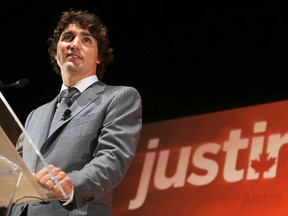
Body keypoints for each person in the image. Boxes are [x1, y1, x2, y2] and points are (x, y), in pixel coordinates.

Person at [11, 9, 142, 216]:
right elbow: (13, 170)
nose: (74, 44)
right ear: (56, 52)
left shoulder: (119, 97)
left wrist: (71, 185)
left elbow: (112, 159)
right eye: (68, 38)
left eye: (86, 40)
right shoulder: (34, 116)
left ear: (99, 57)